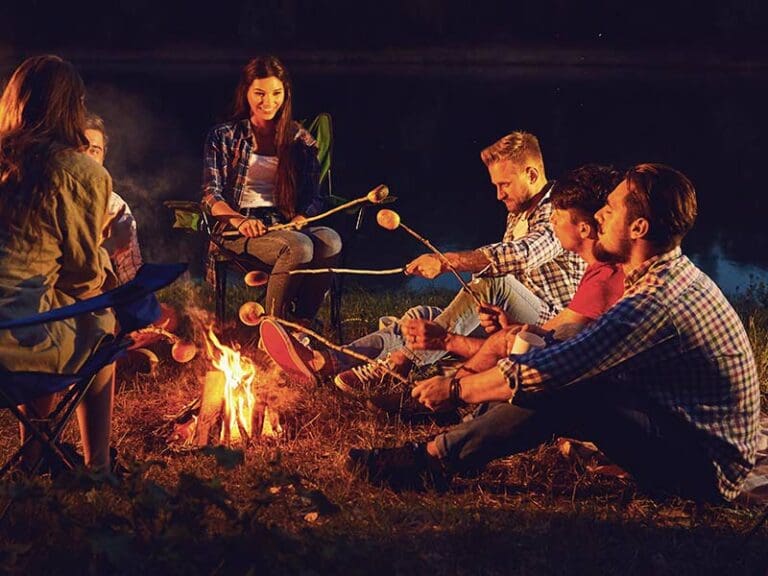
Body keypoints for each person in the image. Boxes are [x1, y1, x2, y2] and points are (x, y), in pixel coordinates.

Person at [349, 164, 761, 503]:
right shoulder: (665, 273)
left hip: (704, 473)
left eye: (611, 210)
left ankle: (433, 460)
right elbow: (570, 350)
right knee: (562, 375)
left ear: (637, 228)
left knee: (563, 389)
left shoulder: (653, 302)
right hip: (690, 437)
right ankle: (443, 451)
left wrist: (457, 390)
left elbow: (553, 369)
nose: (600, 216)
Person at [261, 132, 586, 391]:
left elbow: (523, 256)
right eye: (495, 186)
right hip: (512, 320)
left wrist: (447, 262)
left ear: (531, 173)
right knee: (419, 317)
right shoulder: (519, 213)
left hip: (550, 327)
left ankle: (397, 363)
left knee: (491, 282)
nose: (499, 195)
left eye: (504, 185)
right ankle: (327, 360)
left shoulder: (560, 210)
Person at [0, 55, 116, 472]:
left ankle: (33, 455)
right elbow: (83, 278)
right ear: (72, 107)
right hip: (14, 342)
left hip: (12, 330)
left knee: (46, 308)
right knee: (98, 323)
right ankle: (97, 468)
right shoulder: (80, 172)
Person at [201, 55, 342, 321]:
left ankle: (301, 323)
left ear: (285, 94)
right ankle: (275, 328)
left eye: (276, 93)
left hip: (283, 223)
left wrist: (303, 217)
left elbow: (315, 197)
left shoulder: (300, 139)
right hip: (237, 228)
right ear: (246, 93)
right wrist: (240, 221)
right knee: (299, 247)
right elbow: (211, 194)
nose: (268, 102)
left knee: (331, 240)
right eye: (260, 93)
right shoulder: (224, 136)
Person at [83, 113, 144, 285]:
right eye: (80, 149)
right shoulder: (49, 198)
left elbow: (130, 273)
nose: (87, 158)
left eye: (94, 151)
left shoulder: (115, 207)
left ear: (103, 157)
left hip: (96, 302)